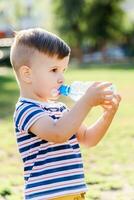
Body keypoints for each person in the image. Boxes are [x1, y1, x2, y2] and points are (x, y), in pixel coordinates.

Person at [10, 28, 121, 200]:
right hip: (47, 196)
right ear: (27, 74)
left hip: (75, 193)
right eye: (54, 70)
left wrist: (107, 115)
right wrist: (87, 101)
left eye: (64, 70)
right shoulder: (26, 110)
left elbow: (88, 138)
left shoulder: (60, 109)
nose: (61, 78)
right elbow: (58, 133)